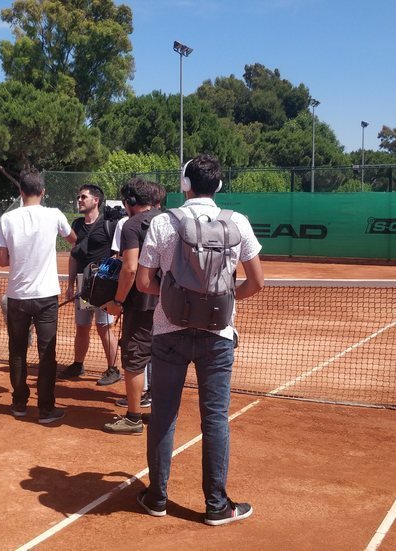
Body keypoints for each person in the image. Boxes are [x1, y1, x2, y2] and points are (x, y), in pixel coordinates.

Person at [136, 154, 264, 525]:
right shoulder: (237, 221)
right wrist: (221, 301)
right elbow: (257, 282)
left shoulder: (163, 222)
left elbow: (143, 282)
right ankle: (216, 506)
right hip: (218, 335)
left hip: (168, 332)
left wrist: (174, 297)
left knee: (163, 416)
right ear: (218, 186)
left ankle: (156, 498)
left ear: (185, 185)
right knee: (215, 420)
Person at [0, 167, 77, 424]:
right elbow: (73, 239)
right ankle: (45, 409)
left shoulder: (7, 219)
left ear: (20, 192)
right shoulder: (54, 215)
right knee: (47, 353)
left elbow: (2, 260)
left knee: (17, 351)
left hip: (17, 295)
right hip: (46, 296)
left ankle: (19, 403)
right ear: (43, 191)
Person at [102, 178, 162, 435]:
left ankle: (133, 418)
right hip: (171, 302)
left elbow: (130, 268)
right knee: (163, 357)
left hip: (141, 304)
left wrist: (117, 301)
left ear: (130, 201)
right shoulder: (170, 220)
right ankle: (161, 413)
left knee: (135, 358)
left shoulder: (131, 225)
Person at [58, 184, 121, 386]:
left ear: (96, 200)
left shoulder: (108, 224)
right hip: (84, 285)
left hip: (103, 286)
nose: (79, 200)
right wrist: (70, 284)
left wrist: (104, 280)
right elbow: (74, 256)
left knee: (104, 327)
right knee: (82, 326)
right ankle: (78, 365)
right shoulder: (77, 225)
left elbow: (117, 256)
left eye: (83, 197)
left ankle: (113, 369)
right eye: (78, 197)